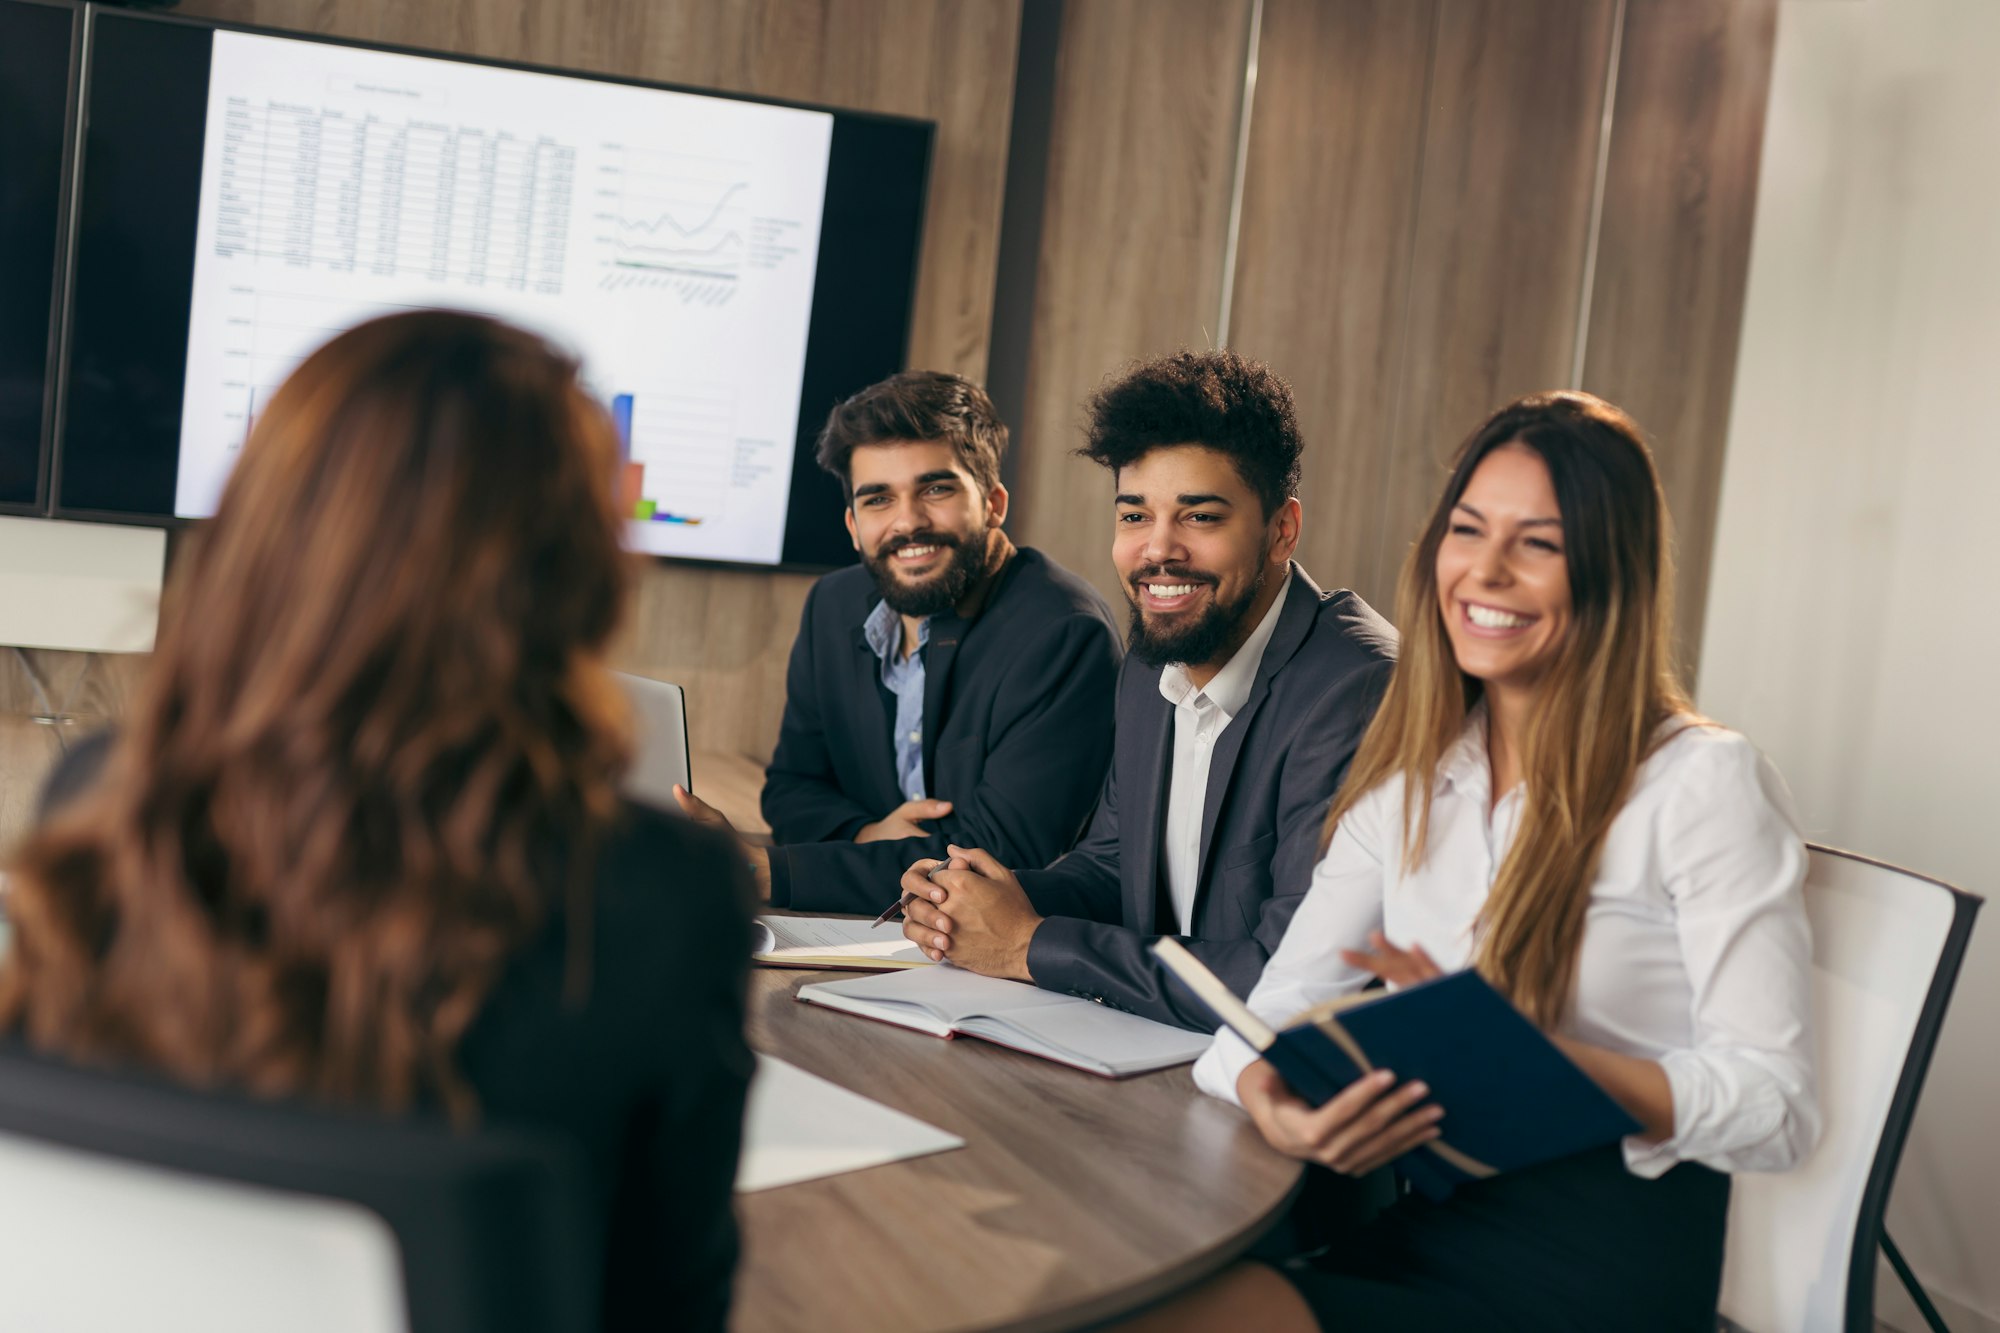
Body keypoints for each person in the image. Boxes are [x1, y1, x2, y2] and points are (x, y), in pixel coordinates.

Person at [0, 312, 754, 1332]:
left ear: (258, 531)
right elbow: (665, 1305)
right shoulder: (660, 888)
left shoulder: (107, 795)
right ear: (574, 573)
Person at [1122, 391, 1820, 1332]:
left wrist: (1541, 1059)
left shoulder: (1702, 783)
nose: (1483, 571)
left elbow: (1777, 1106)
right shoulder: (1412, 781)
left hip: (1607, 1271)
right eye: (1467, 530)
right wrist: (1273, 1097)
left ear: (1610, 574)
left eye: (1536, 542)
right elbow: (1267, 1015)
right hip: (1432, 1231)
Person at [895, 351, 1395, 1027]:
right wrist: (975, 900)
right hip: (1152, 1047)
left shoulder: (1358, 689)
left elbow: (1285, 980)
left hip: (1280, 1084)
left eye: (1200, 517)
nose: (1158, 550)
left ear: (1282, 530)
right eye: (1134, 516)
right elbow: (1110, 872)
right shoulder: (1154, 659)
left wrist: (1028, 944)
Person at [675, 371, 1121, 914]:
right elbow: (791, 788)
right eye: (879, 499)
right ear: (852, 524)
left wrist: (767, 871)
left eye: (935, 489)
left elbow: (998, 858)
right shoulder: (833, 605)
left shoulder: (1065, 634)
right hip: (863, 930)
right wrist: (865, 833)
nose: (907, 522)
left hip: (997, 957)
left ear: (994, 503)